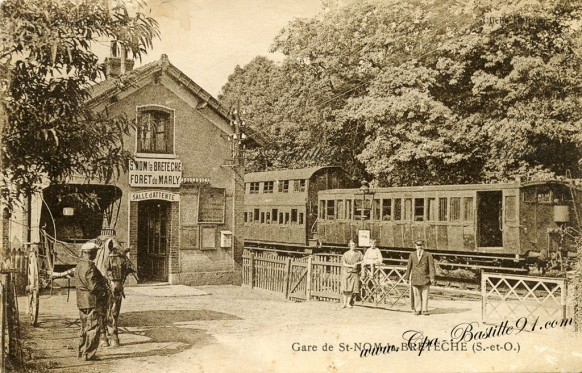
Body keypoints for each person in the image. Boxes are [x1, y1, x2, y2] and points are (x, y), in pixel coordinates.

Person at [74, 241, 108, 361]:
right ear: (92, 254)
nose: (96, 255)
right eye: (95, 253)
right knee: (93, 328)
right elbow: (93, 286)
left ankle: (81, 352)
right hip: (92, 302)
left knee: (84, 328)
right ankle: (88, 354)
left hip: (82, 302)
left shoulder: (79, 265)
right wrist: (104, 291)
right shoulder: (90, 267)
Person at [103, 239, 137, 347]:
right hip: (109, 281)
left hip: (116, 282)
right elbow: (107, 270)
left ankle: (114, 333)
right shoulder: (107, 259)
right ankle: (102, 334)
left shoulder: (121, 258)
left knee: (115, 310)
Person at [405, 240, 435, 316]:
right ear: (415, 246)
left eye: (421, 245)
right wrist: (407, 277)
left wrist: (432, 277)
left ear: (424, 246)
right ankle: (418, 309)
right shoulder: (412, 255)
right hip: (415, 277)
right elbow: (409, 267)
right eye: (418, 246)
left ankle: (425, 309)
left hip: (425, 277)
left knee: (425, 294)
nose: (419, 247)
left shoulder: (428, 255)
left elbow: (431, 267)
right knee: (416, 294)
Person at [340, 240, 363, 309]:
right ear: (349, 245)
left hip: (354, 273)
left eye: (354, 244)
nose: (353, 246)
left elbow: (363, 260)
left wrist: (357, 263)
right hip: (346, 272)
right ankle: (344, 303)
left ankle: (348, 303)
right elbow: (343, 263)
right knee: (345, 288)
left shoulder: (359, 253)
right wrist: (351, 266)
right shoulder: (346, 254)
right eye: (352, 244)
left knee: (351, 288)